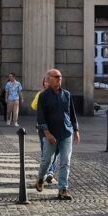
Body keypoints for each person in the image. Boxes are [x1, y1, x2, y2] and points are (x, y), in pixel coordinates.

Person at [35, 68, 80, 200]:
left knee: (65, 161)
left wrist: (76, 130)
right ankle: (40, 178)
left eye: (60, 77)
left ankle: (62, 190)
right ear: (48, 79)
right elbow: (41, 117)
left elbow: (72, 114)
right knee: (46, 161)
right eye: (56, 77)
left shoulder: (66, 94)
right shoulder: (43, 96)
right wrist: (47, 133)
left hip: (66, 133)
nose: (59, 79)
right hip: (51, 134)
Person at [31, 76, 58, 185]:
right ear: (44, 83)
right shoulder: (40, 94)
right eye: (45, 81)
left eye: (48, 81)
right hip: (43, 127)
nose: (47, 83)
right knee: (45, 151)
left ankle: (50, 172)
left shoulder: (57, 93)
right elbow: (33, 106)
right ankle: (47, 173)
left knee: (56, 151)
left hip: (55, 126)